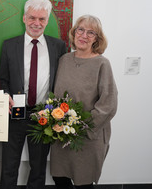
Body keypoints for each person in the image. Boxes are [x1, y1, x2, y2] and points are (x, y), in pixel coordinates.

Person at [0, 0, 67, 189]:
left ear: (47, 19)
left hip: (44, 116)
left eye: (42, 19)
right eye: (32, 18)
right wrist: (6, 96)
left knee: (38, 167)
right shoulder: (9, 46)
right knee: (9, 165)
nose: (36, 23)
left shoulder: (58, 47)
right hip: (15, 114)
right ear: (24, 18)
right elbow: (2, 78)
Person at [50, 15, 118, 189]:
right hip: (62, 134)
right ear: (74, 33)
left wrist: (81, 126)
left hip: (88, 137)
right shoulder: (64, 60)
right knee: (60, 178)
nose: (84, 35)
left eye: (91, 32)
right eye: (80, 30)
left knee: (83, 183)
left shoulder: (102, 64)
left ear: (97, 39)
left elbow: (108, 103)